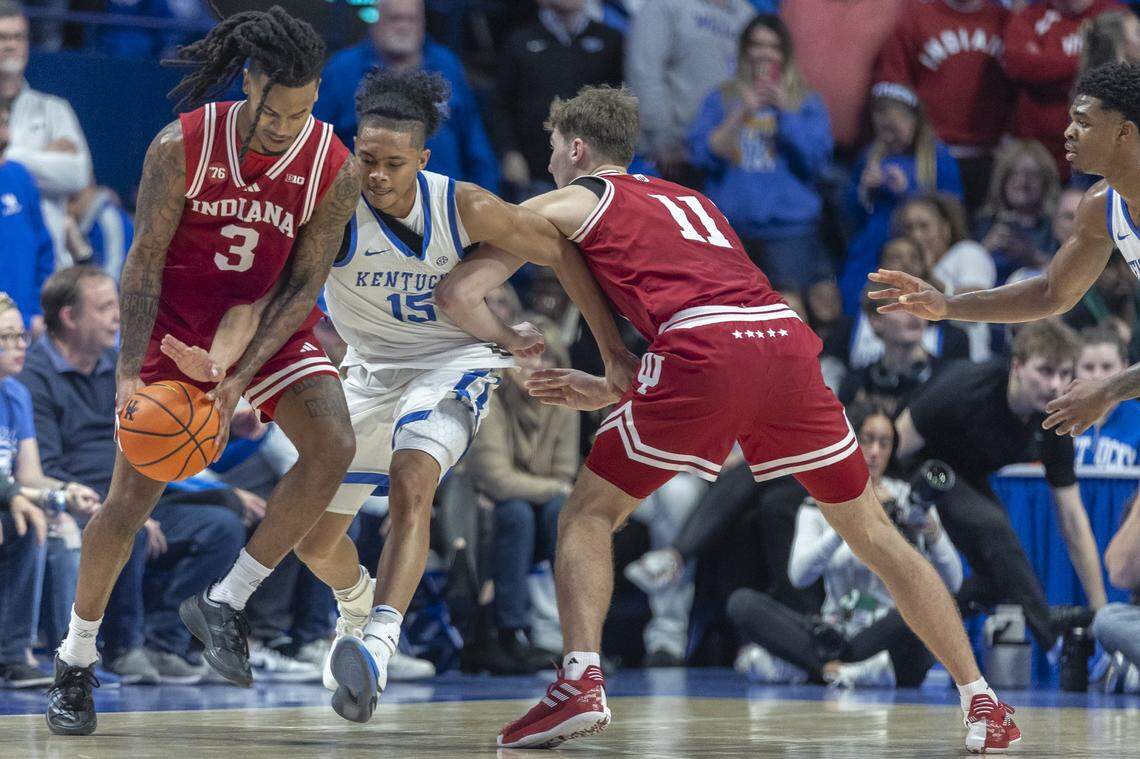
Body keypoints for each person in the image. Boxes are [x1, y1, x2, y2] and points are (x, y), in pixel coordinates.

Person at [435, 84, 1020, 753]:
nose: (548, 167)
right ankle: (981, 699)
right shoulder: (693, 200)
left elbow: (471, 277)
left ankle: (580, 680)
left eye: (550, 153)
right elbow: (712, 322)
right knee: (874, 534)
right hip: (781, 337)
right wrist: (615, 378)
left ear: (575, 149)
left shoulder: (578, 196)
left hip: (704, 345)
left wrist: (472, 301)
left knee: (587, 515)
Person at [173, 67, 631, 724]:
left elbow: (560, 250)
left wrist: (608, 349)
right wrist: (226, 371)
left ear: (423, 158)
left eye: (394, 163)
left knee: (413, 475)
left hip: (453, 361)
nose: (378, 176)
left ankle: (381, 642)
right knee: (315, 543)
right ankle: (357, 606)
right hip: (370, 370)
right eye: (367, 159)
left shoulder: (464, 205)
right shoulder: (332, 209)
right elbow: (271, 300)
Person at [43, 8, 361, 736]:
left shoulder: (332, 165)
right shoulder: (180, 144)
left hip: (268, 324)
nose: (285, 127)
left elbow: (302, 286)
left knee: (334, 446)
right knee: (127, 505)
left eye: (301, 112)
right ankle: (75, 661)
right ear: (249, 81)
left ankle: (226, 600)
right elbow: (144, 260)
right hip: (176, 329)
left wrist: (238, 377)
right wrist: (131, 369)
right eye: (275, 113)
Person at [871, 62, 1140, 461]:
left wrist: (1108, 390)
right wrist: (948, 306)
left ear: (1124, 132)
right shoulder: (1101, 206)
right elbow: (1051, 293)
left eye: (1084, 122)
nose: (1068, 132)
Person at [21, 267, 255, 685]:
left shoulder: (119, 367)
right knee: (127, 529)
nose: (118, 317)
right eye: (104, 307)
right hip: (83, 500)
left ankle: (165, 643)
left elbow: (164, 434)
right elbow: (46, 468)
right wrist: (123, 507)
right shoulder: (34, 377)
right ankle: (120, 648)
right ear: (69, 316)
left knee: (221, 525)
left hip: (138, 489)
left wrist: (224, 427)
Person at [891, 320, 1107, 647]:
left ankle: (916, 621)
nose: (1055, 385)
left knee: (998, 580)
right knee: (994, 528)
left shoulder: (1055, 420)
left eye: (1065, 374)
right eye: (1045, 371)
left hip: (965, 475)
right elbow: (891, 446)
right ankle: (1051, 636)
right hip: (917, 467)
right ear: (1017, 366)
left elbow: (1073, 520)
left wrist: (1100, 611)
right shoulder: (965, 385)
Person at [731, 405, 962, 689]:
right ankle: (847, 670)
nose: (874, 452)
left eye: (884, 443)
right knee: (742, 603)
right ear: (850, 441)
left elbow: (954, 582)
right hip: (833, 630)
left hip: (885, 631)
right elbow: (799, 576)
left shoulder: (909, 500)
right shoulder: (821, 500)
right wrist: (847, 525)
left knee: (928, 612)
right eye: (867, 440)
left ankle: (811, 667)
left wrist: (932, 534)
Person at [687, 14, 833, 290]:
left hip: (789, 233)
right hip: (731, 231)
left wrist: (786, 113)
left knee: (789, 310)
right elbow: (702, 156)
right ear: (744, 50)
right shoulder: (720, 99)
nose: (765, 53)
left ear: (785, 54)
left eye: (773, 46)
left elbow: (816, 162)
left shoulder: (806, 102)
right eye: (757, 45)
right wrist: (741, 113)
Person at [466, 322, 579, 671]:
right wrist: (552, 488)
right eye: (526, 356)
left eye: (546, 358)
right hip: (484, 500)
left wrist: (554, 490)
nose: (536, 366)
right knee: (517, 514)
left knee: (561, 512)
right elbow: (496, 480)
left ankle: (573, 635)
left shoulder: (565, 402)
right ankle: (510, 631)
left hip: (540, 504)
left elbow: (564, 472)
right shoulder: (491, 396)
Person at [314, 0, 499, 191]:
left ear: (423, 23)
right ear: (376, 22)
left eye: (411, 19)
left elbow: (476, 146)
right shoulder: (341, 70)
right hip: (366, 200)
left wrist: (487, 197)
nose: (403, 26)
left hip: (443, 200)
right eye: (395, 18)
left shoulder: (447, 64)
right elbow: (316, 146)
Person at [0, 291, 87, 689]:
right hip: (8, 500)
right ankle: (14, 653)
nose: (19, 345)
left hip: (10, 497)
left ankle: (63, 655)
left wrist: (66, 493)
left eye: (21, 335)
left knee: (59, 525)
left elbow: (30, 477)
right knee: (26, 521)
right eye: (6, 338)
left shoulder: (16, 394)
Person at [874, 0, 1012, 212]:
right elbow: (893, 90)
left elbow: (1019, 89)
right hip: (930, 156)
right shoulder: (915, 18)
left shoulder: (1005, 20)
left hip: (992, 156)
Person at [838, 82, 962, 313]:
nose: (890, 136)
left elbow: (954, 210)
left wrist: (909, 191)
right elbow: (850, 216)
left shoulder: (938, 157)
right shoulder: (870, 156)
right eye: (884, 128)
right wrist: (863, 191)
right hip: (872, 247)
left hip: (921, 249)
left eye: (896, 128)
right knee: (858, 302)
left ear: (914, 121)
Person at [494, 0, 624, 199]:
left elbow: (619, 109)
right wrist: (509, 152)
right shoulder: (519, 40)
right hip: (534, 169)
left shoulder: (610, 39)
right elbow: (501, 104)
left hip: (593, 172)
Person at [0, 1, 94, 266]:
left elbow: (78, 174)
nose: (11, 45)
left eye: (19, 37)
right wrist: (46, 155)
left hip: (49, 262)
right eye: (3, 37)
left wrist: (9, 154)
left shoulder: (54, 109)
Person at [624, 0, 756, 186]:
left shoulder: (746, 14)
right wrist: (663, 139)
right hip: (671, 159)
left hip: (725, 159)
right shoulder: (663, 5)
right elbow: (644, 74)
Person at [1004, 0, 1120, 177]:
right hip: (1039, 156)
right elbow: (1019, 66)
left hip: (1097, 156)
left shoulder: (1112, 14)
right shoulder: (1029, 17)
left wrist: (1048, 64)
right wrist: (1088, 62)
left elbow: (1118, 71)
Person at [895, 193, 995, 359]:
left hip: (969, 362)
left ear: (945, 229)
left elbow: (977, 305)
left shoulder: (966, 252)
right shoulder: (902, 270)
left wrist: (928, 275)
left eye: (924, 226)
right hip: (923, 365)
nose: (916, 235)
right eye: (908, 228)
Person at [973, 139, 1063, 284]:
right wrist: (985, 249)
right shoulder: (984, 223)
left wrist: (1032, 257)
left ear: (1046, 181)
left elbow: (1068, 275)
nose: (1022, 182)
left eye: (1032, 175)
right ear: (1003, 180)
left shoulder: (1055, 227)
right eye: (1013, 174)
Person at [0, 95, 54, 335]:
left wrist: (36, 311)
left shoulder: (19, 176)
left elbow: (43, 248)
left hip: (25, 323)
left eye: (5, 122)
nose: (4, 130)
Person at [1072, 325, 1140, 466]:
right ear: (1074, 368)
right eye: (1088, 367)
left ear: (1125, 368)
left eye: (1107, 367)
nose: (1097, 375)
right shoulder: (1058, 417)